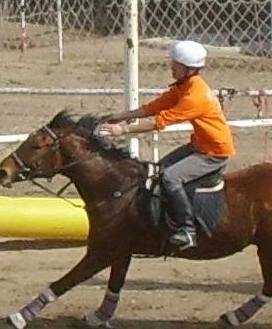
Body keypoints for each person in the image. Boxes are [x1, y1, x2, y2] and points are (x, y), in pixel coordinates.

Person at [99, 40, 235, 250]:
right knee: (158, 170)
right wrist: (122, 116)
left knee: (171, 178)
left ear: (189, 69)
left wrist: (123, 130)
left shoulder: (195, 96)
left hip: (212, 153)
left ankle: (187, 230)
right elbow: (156, 106)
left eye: (176, 64)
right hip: (199, 145)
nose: (171, 67)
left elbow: (159, 121)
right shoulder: (185, 86)